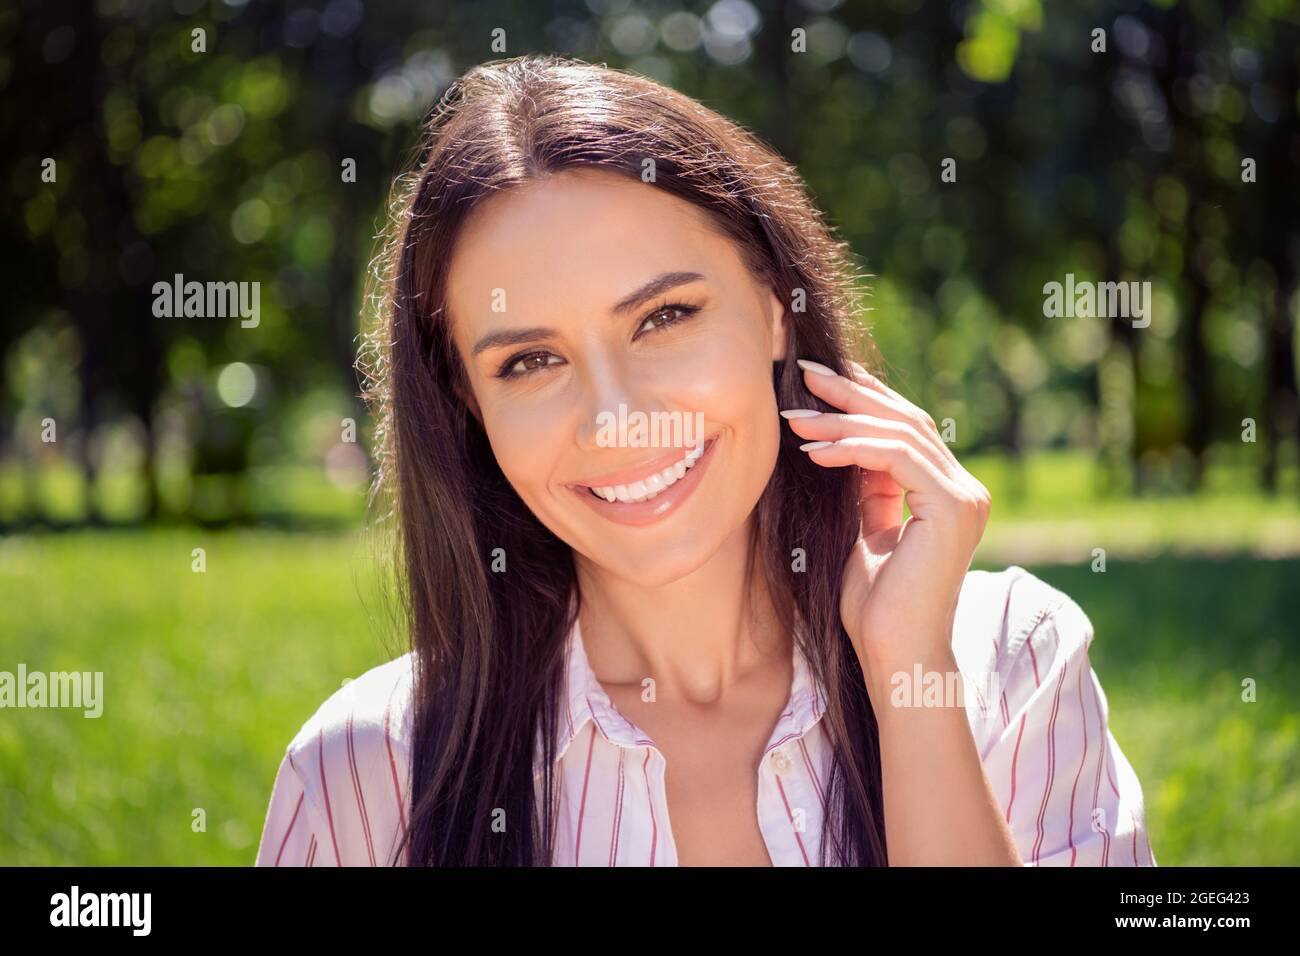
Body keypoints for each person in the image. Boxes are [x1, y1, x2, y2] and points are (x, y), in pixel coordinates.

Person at [254, 54, 1154, 867]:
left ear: (774, 309)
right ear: (465, 404)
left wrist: (908, 676)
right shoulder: (364, 775)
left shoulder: (1012, 661)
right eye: (529, 361)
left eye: (664, 317)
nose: (617, 423)